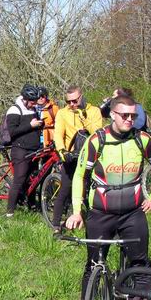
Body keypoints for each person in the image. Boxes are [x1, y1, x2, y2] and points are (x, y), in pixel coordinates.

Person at [64, 94, 151, 300]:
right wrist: (77, 212)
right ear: (113, 115)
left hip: (133, 212)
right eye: (125, 115)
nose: (130, 119)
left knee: (140, 265)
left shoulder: (143, 140)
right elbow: (80, 176)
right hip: (101, 213)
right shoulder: (97, 141)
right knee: (94, 263)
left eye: (133, 115)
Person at [51, 85, 103, 232]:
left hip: (91, 156)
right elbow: (58, 134)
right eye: (68, 102)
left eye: (74, 101)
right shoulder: (62, 113)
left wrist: (83, 117)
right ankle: (56, 226)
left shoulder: (94, 111)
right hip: (71, 157)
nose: (72, 105)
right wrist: (62, 151)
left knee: (92, 190)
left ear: (81, 97)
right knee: (66, 188)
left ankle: (94, 224)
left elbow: (98, 133)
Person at [4, 84, 44, 217]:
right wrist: (30, 125)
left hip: (34, 149)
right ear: (25, 99)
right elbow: (13, 132)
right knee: (19, 180)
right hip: (20, 149)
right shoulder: (14, 110)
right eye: (32, 101)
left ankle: (31, 205)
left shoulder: (33, 109)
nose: (34, 104)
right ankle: (10, 212)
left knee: (33, 179)